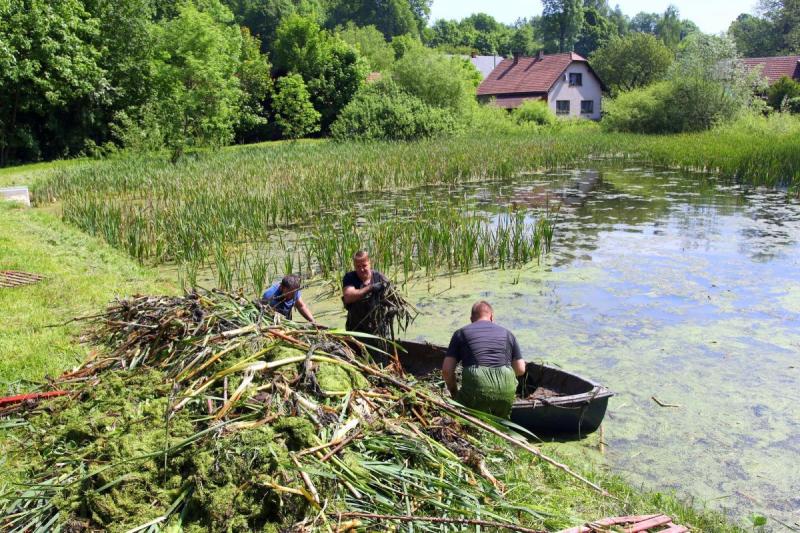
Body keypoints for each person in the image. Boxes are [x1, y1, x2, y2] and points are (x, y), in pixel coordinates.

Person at [442, 301, 527, 418]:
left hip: (476, 384)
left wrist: (454, 393)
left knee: (463, 415)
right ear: (491, 317)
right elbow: (520, 369)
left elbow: (446, 371)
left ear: (471, 319)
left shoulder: (460, 333)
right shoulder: (508, 334)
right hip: (506, 386)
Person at [342, 250, 389, 335]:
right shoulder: (349, 278)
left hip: (378, 329)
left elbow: (391, 296)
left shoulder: (379, 277)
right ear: (354, 265)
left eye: (364, 265)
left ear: (370, 263)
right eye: (358, 266)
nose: (361, 269)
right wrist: (371, 288)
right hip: (356, 329)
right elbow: (348, 297)